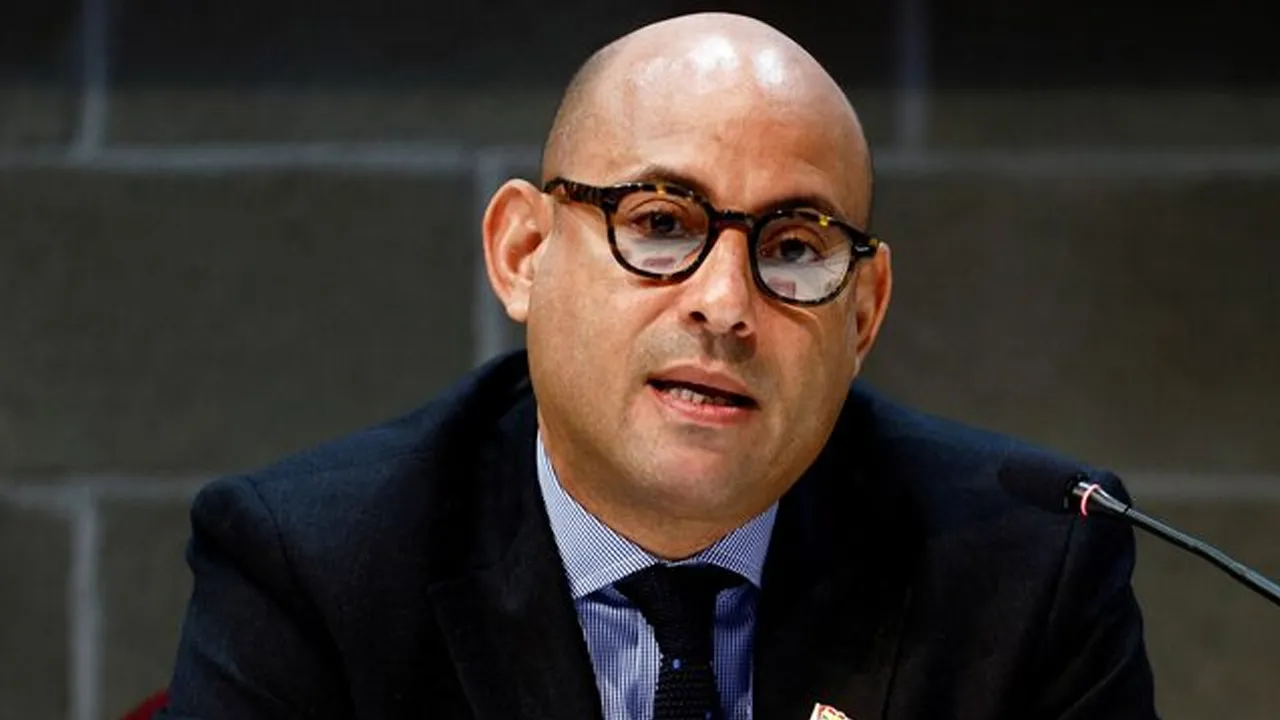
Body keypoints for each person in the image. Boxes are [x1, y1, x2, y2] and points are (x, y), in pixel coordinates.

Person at [157, 11, 1159, 720]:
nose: (724, 304)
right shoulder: (318, 568)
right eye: (659, 223)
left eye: (794, 247)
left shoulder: (1026, 569)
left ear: (863, 312)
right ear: (522, 253)